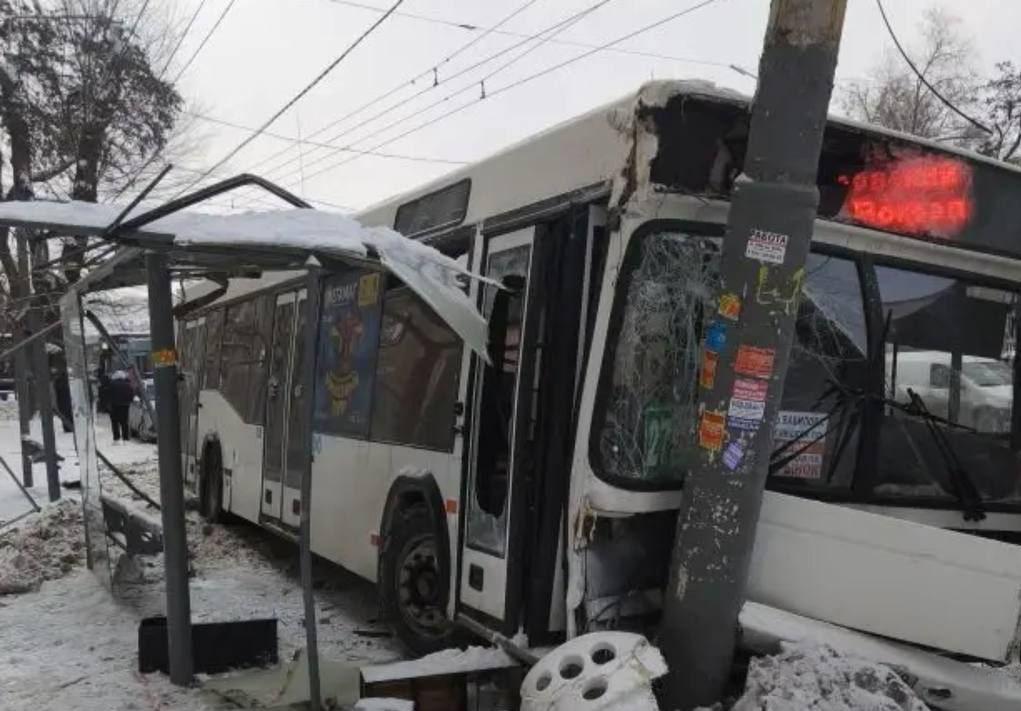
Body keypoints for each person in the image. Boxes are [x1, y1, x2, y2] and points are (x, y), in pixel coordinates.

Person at [108, 370, 135, 443]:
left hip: (114, 405)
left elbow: (108, 394)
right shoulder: (127, 384)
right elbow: (131, 394)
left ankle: (116, 438)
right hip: (125, 405)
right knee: (124, 422)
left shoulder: (112, 384)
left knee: (115, 422)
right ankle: (125, 438)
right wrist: (129, 401)